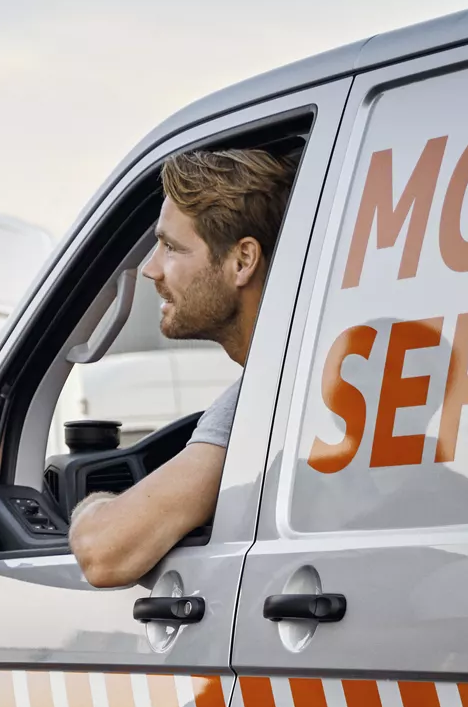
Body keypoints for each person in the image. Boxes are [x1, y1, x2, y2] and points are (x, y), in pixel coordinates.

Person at [69, 148, 297, 588]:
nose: (150, 268)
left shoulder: (262, 401)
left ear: (242, 261)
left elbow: (104, 553)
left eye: (171, 247)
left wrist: (87, 507)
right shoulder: (301, 377)